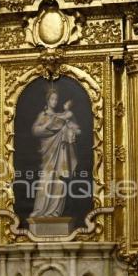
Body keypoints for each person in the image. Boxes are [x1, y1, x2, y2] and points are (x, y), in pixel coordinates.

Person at [30, 89, 80, 217]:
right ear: (47, 100)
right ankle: (40, 210)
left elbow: (74, 130)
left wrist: (69, 132)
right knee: (46, 180)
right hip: (49, 153)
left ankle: (55, 212)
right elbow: (36, 131)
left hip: (61, 154)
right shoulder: (44, 115)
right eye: (52, 99)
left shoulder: (60, 116)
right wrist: (49, 125)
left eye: (56, 99)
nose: (54, 101)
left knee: (59, 182)